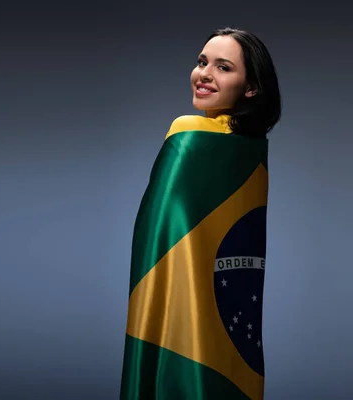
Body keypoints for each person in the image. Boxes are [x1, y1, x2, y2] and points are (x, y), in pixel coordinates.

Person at [119, 28, 281, 400]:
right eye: (202, 62)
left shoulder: (188, 132)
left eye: (223, 67)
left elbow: (157, 234)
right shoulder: (251, 152)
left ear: (251, 87)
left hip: (178, 316)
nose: (204, 73)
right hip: (227, 329)